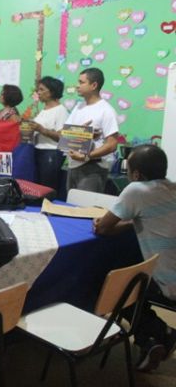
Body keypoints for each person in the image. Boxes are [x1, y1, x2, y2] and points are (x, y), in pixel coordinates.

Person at [93, 145, 176, 372]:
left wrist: (107, 223)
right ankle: (152, 339)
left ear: (136, 174)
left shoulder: (136, 191)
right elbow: (143, 219)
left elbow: (103, 228)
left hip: (168, 283)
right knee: (129, 277)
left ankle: (159, 333)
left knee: (114, 286)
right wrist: (133, 220)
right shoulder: (171, 187)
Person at [65, 68, 119, 193]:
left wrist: (87, 156)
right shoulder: (79, 107)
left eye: (81, 82)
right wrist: (83, 133)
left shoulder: (106, 110)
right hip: (73, 165)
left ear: (94, 85)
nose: (77, 86)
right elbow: (66, 134)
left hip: (93, 168)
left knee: (86, 205)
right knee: (71, 203)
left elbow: (112, 144)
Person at [26, 76, 69, 190]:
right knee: (38, 186)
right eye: (38, 89)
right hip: (38, 150)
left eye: (41, 89)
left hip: (51, 152)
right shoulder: (44, 110)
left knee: (47, 187)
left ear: (51, 92)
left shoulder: (60, 110)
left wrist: (41, 129)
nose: (38, 92)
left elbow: (62, 137)